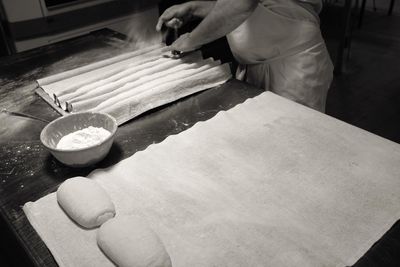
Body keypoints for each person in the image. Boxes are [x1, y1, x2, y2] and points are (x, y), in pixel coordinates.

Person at [156, 0, 334, 112]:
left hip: (292, 68)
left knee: (290, 149)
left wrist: (192, 40)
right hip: (259, 62)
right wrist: (195, 8)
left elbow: (241, 4)